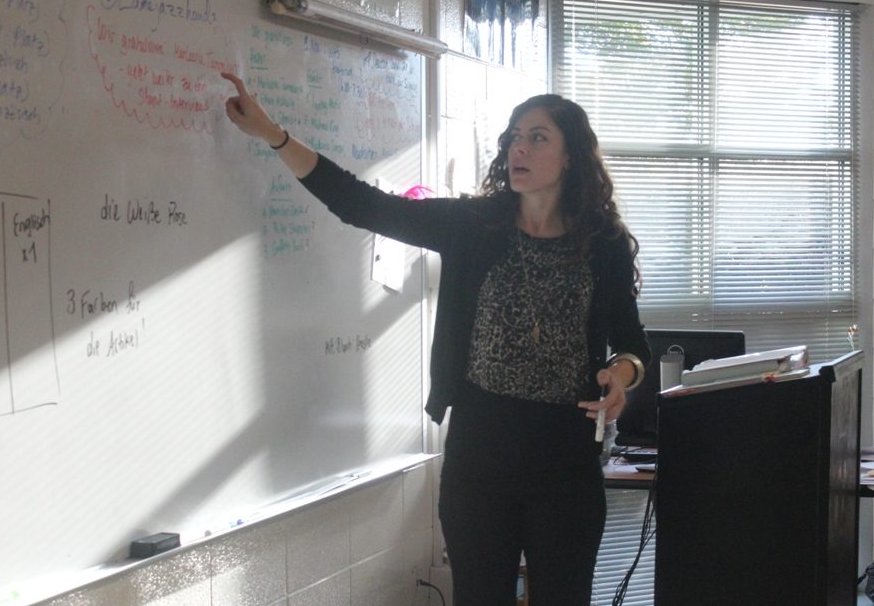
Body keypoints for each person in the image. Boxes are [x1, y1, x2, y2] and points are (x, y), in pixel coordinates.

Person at [221, 71, 650, 606]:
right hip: (481, 452)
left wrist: (622, 377)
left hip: (564, 456)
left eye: (538, 137)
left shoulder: (601, 243)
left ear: (571, 157)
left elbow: (632, 344)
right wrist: (274, 135)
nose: (519, 147)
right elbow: (363, 206)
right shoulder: (474, 224)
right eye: (514, 136)